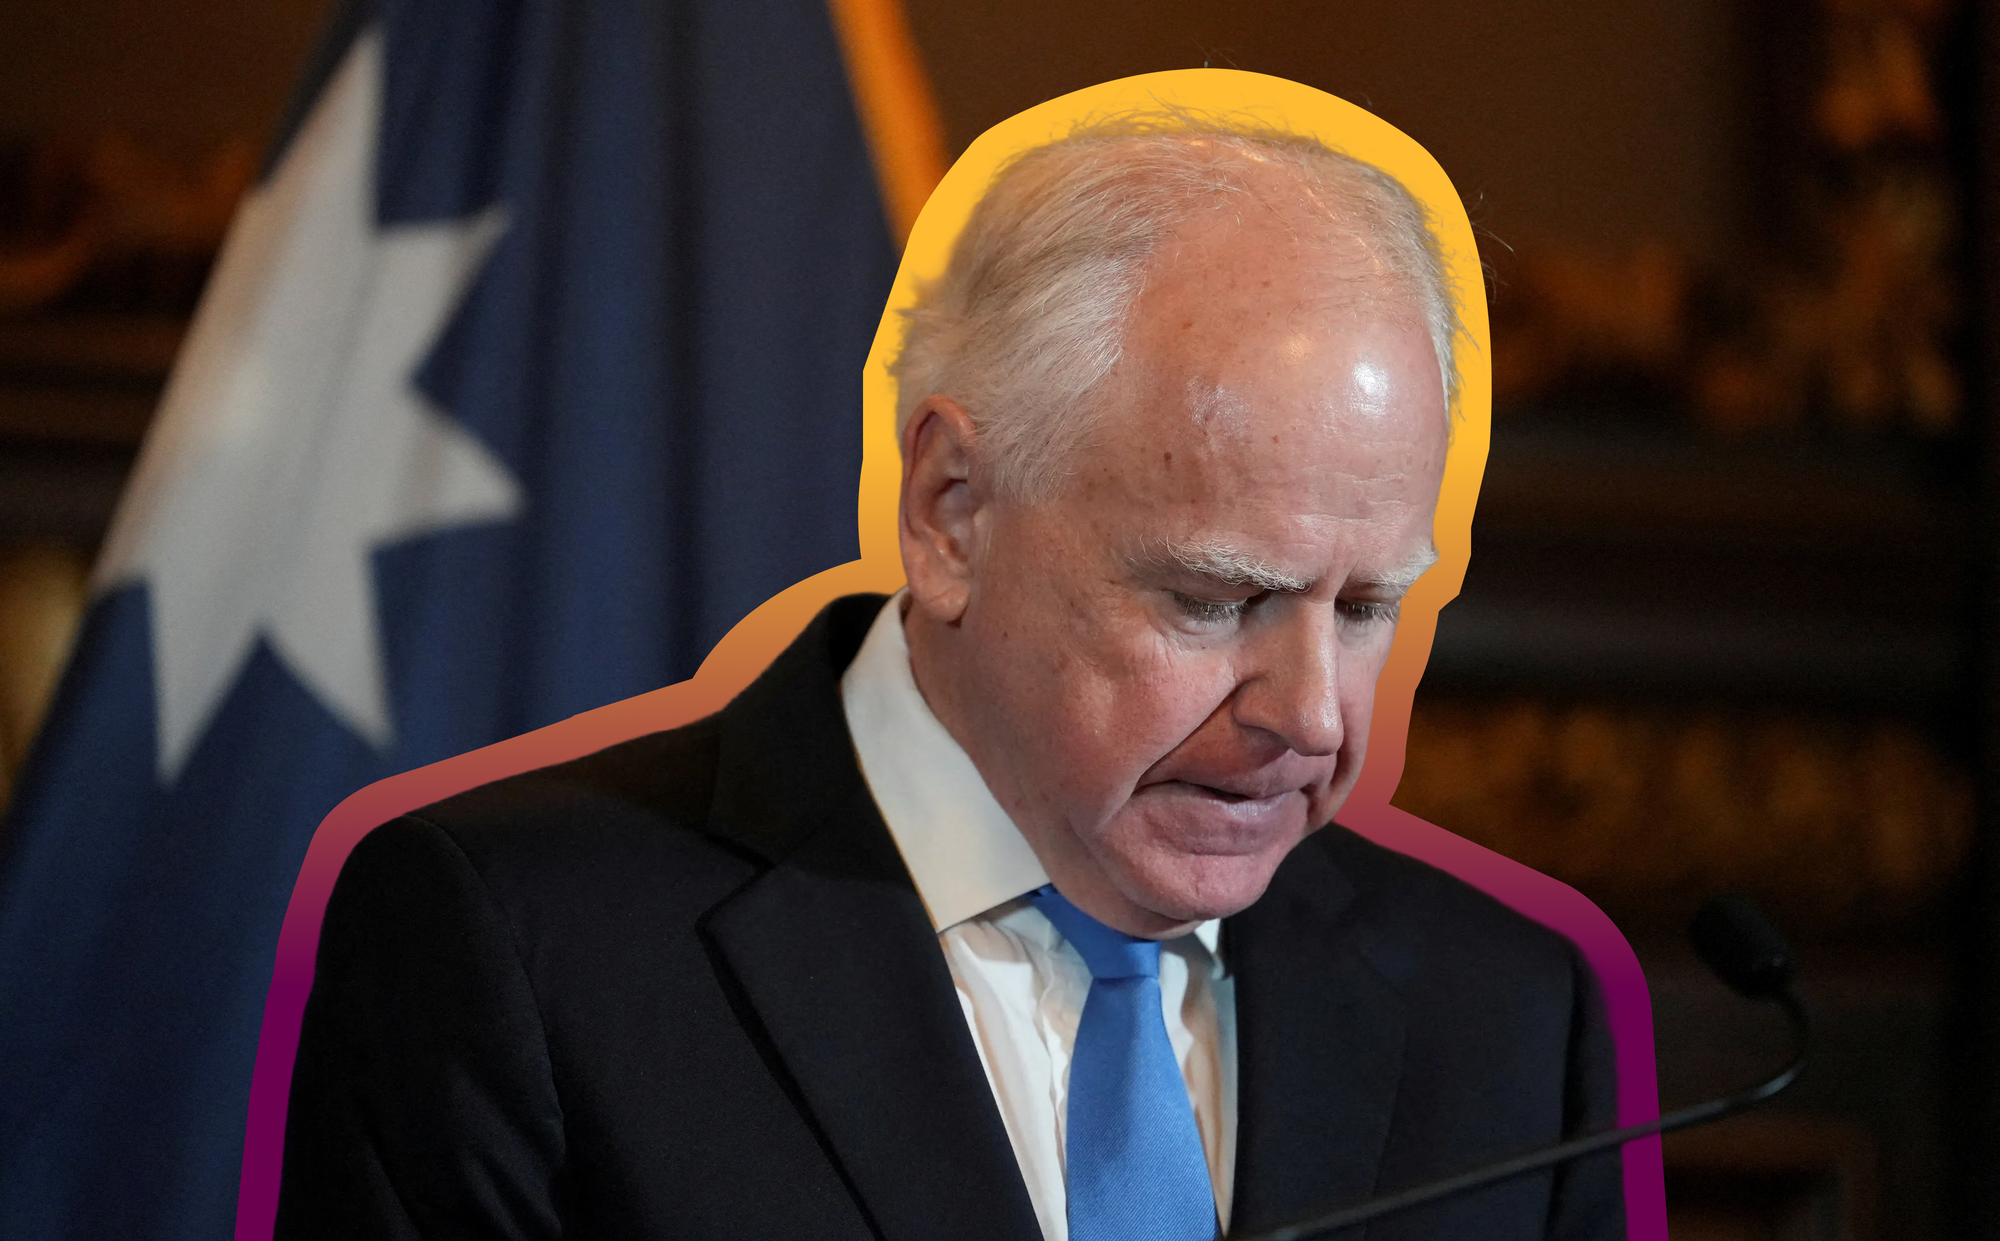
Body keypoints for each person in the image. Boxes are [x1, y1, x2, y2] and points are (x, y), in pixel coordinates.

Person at [277, 113, 1624, 1241]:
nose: (1313, 713)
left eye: (1371, 604)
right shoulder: (520, 950)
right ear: (952, 508)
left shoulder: (1507, 1024)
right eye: (1217, 599)